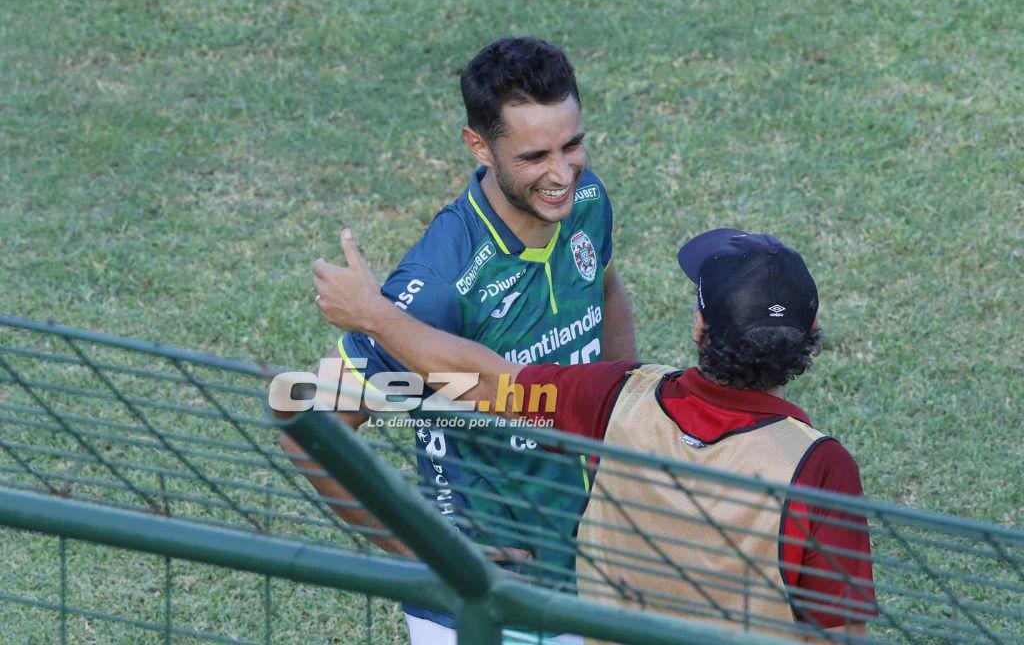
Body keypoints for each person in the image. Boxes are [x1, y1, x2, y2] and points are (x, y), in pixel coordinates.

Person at [312, 227, 878, 641]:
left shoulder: (614, 398)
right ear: (811, 335)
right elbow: (840, 633)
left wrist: (376, 317)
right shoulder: (821, 467)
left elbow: (487, 383)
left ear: (701, 326)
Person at [284, 36, 637, 644]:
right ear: (479, 145)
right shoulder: (438, 284)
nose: (561, 174)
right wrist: (424, 554)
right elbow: (312, 436)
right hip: (485, 606)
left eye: (572, 144)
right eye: (533, 157)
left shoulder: (586, 200)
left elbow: (606, 292)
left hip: (591, 565)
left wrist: (619, 419)